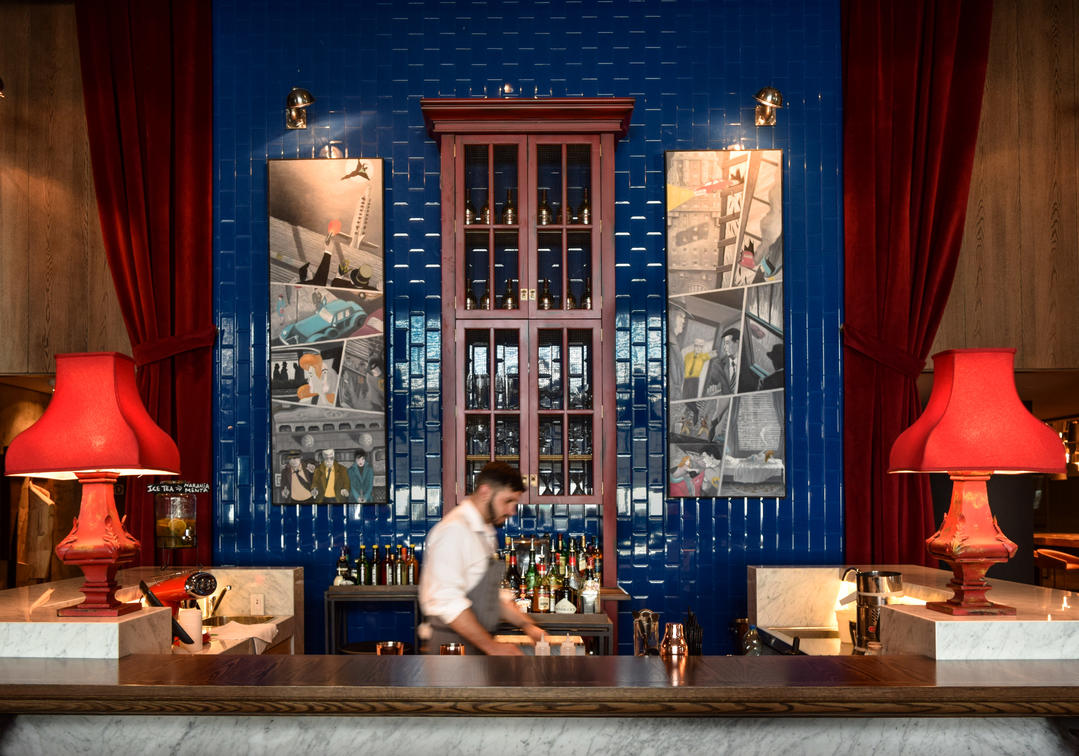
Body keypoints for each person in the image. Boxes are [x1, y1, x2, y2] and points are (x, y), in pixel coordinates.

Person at [418, 462, 544, 655]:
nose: (512, 511)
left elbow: (490, 597)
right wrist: (492, 647)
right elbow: (447, 601)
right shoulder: (454, 530)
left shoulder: (485, 532)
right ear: (485, 492)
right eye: (508, 501)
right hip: (451, 649)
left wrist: (527, 624)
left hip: (477, 644)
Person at [703, 327, 739, 396]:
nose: (724, 347)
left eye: (727, 343)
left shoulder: (746, 363)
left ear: (737, 343)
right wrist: (710, 390)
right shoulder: (717, 364)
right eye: (724, 344)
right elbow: (709, 386)